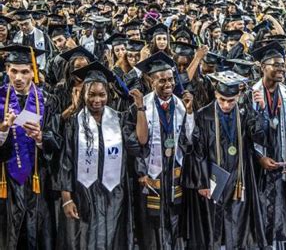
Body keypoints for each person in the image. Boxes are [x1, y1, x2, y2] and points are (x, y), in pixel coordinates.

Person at [57, 61, 142, 250]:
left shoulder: (119, 120)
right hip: (83, 193)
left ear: (108, 95)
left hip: (114, 192)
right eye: (92, 94)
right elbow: (66, 161)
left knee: (113, 237)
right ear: (83, 94)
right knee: (85, 240)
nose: (97, 100)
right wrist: (66, 198)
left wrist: (140, 109)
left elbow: (137, 147)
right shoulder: (74, 123)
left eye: (102, 94)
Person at [183, 73, 266, 249]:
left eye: (231, 100)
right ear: (215, 94)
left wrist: (260, 110)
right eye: (222, 100)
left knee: (238, 224)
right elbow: (198, 151)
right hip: (214, 177)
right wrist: (202, 182)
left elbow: (260, 138)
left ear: (238, 96)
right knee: (213, 226)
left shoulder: (245, 112)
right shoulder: (204, 115)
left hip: (239, 177)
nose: (226, 105)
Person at [131, 52, 195, 249]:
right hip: (152, 170)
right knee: (153, 221)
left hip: (175, 170)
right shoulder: (140, 107)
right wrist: (141, 171)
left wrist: (191, 112)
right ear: (151, 82)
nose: (168, 84)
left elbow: (190, 139)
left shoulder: (181, 105)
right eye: (162, 80)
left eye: (171, 79)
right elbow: (136, 143)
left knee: (175, 216)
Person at [249, 41, 286, 248]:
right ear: (263, 67)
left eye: (283, 65)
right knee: (258, 213)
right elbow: (246, 133)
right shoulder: (250, 94)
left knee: (278, 214)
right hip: (257, 168)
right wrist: (259, 157)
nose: (281, 69)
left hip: (280, 164)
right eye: (276, 65)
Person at [0, 44, 55, 249]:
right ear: (7, 70)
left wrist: (41, 137)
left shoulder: (47, 100)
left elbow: (57, 142)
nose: (19, 78)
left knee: (37, 233)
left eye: (24, 71)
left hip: (37, 177)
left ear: (33, 71)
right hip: (6, 178)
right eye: (14, 71)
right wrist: (3, 130)